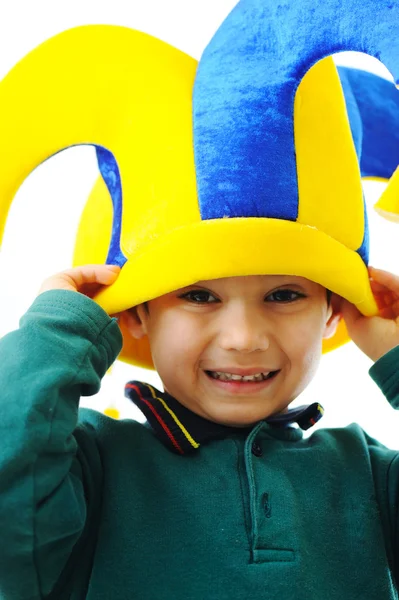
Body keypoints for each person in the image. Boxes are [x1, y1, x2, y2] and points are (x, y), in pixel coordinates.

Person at [2, 1, 399, 598]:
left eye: (285, 293)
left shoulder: (367, 474)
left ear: (335, 311)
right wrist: (61, 327)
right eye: (198, 295)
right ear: (136, 312)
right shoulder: (87, 465)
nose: (243, 336)